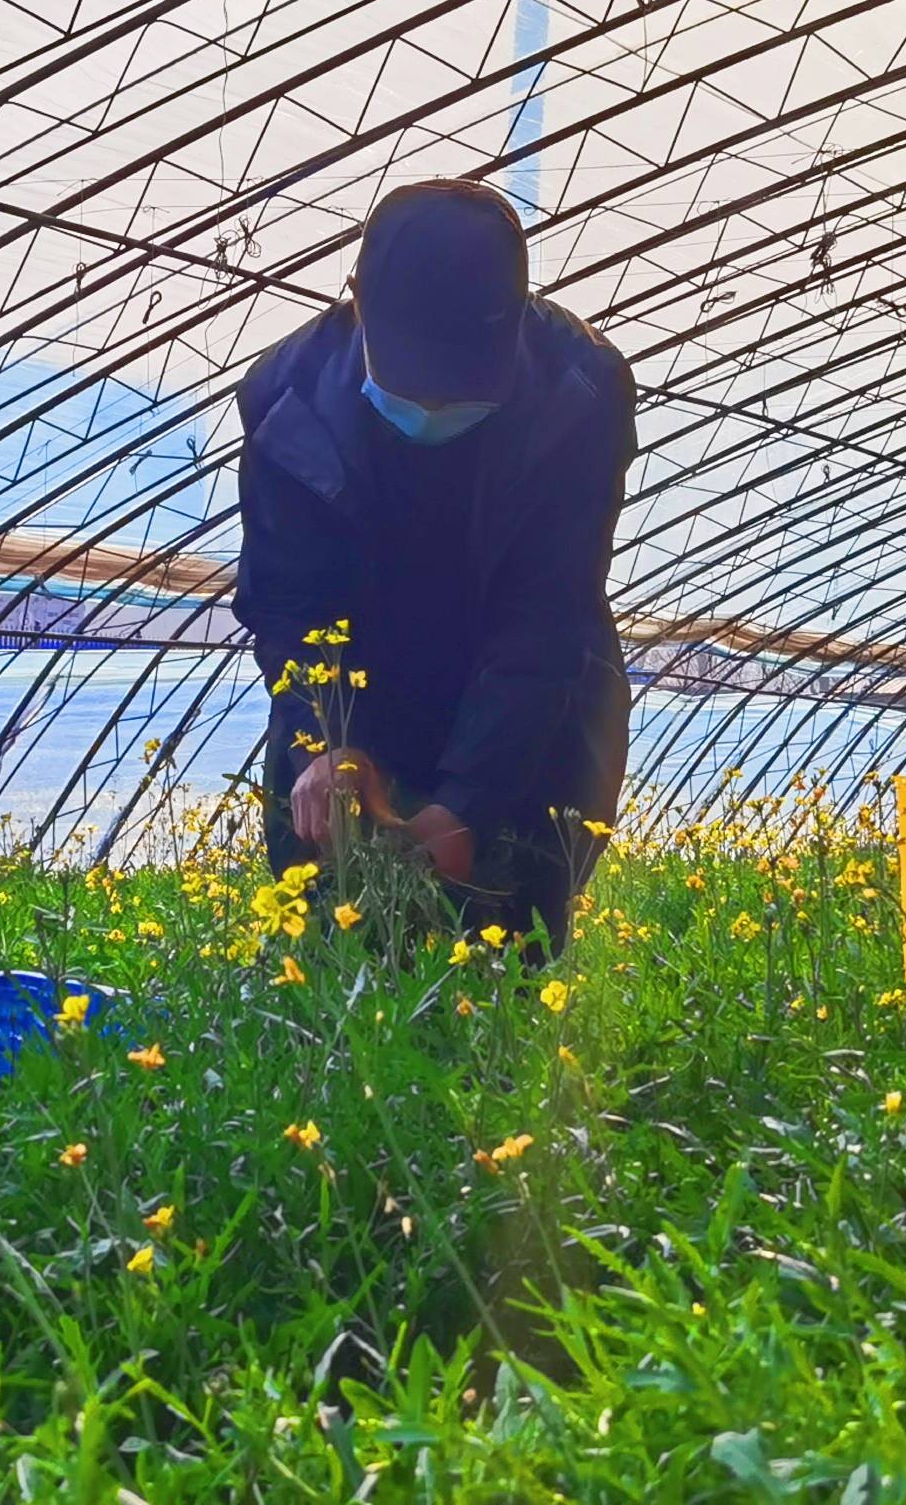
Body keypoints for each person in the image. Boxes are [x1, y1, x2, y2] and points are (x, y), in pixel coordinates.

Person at [232, 179, 632, 951]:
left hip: (527, 702)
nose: (437, 403)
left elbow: (545, 619)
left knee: (512, 931)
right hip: (359, 680)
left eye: (464, 381)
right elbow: (288, 602)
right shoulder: (287, 401)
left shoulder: (580, 392)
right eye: (415, 376)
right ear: (357, 301)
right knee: (328, 918)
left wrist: (467, 803)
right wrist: (329, 743)